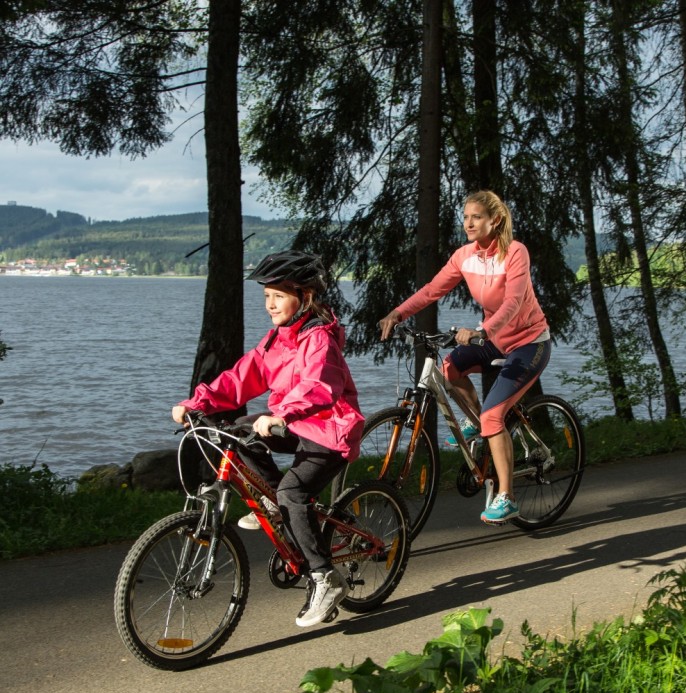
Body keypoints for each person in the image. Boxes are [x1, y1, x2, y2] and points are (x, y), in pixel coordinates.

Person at [172, 251, 364, 628]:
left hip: (329, 431)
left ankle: (326, 578)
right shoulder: (278, 340)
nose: (270, 304)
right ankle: (273, 502)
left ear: (304, 297)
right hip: (291, 425)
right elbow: (242, 376)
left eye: (278, 295)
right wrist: (196, 402)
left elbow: (318, 385)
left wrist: (281, 414)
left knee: (294, 493)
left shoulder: (318, 339)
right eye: (266, 296)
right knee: (240, 430)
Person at [379, 191, 551, 526]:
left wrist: (484, 330)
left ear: (494, 220)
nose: (468, 223)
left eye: (475, 217)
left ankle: (507, 497)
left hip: (529, 343)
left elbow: (514, 302)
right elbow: (432, 290)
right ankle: (477, 418)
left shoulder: (515, 252)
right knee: (451, 367)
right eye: (465, 216)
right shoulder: (464, 256)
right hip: (494, 338)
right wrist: (397, 313)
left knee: (493, 417)